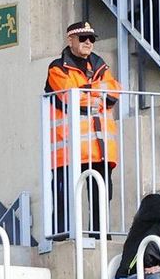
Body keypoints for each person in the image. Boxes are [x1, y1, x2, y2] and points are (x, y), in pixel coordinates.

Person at [45, 20, 120, 236]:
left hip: (101, 148)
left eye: (92, 39)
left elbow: (114, 91)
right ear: (71, 40)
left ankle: (100, 236)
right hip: (69, 149)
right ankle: (62, 237)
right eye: (83, 38)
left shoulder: (100, 65)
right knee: (64, 199)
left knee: (101, 197)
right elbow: (70, 96)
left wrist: (86, 91)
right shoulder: (57, 68)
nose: (89, 42)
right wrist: (96, 93)